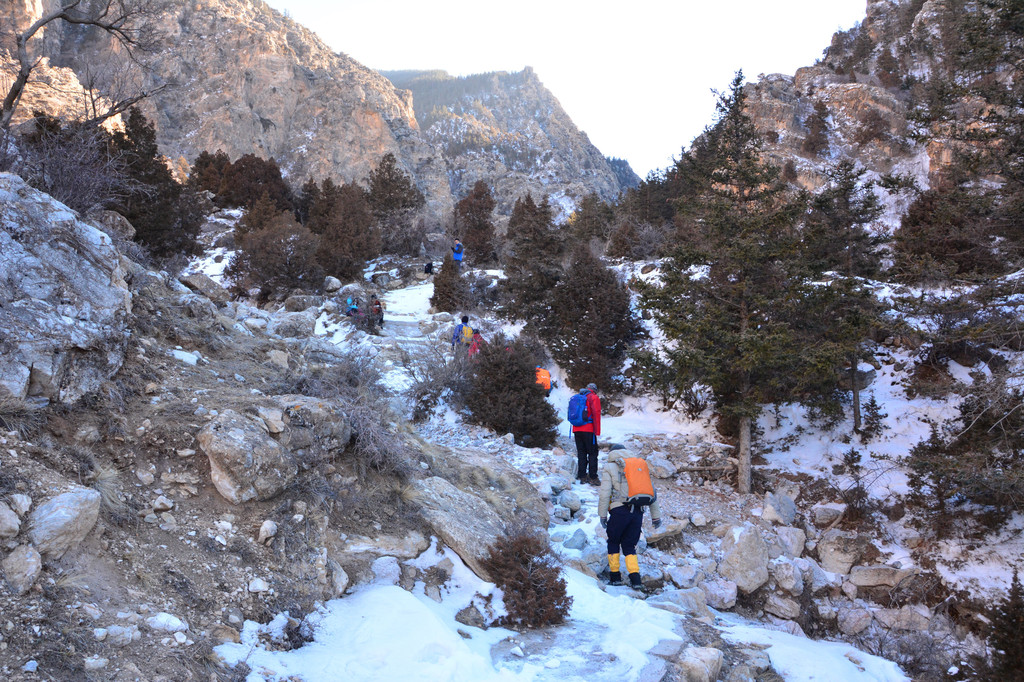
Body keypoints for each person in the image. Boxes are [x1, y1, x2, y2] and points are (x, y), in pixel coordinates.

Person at [598, 450, 662, 589]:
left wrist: (602, 514)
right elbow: (652, 491)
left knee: (614, 541)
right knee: (629, 545)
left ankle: (615, 577)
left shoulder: (610, 467)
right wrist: (655, 516)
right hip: (637, 512)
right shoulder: (638, 466)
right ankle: (635, 579)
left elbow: (605, 493)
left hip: (619, 511)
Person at [572, 383, 601, 485]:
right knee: (593, 453)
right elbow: (596, 414)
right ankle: (593, 477)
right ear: (594, 390)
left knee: (581, 453)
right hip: (588, 429)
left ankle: (582, 476)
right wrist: (597, 431)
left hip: (576, 429)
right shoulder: (593, 397)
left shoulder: (578, 397)